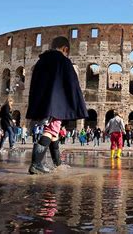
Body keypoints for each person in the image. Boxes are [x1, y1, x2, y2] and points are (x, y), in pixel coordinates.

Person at [26, 36, 88, 174]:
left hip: (43, 101)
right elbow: (72, 84)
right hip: (56, 103)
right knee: (50, 131)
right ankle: (35, 164)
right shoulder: (63, 61)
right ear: (65, 49)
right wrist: (76, 102)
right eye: (67, 52)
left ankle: (57, 163)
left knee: (54, 132)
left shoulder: (40, 62)